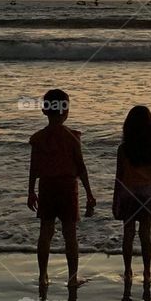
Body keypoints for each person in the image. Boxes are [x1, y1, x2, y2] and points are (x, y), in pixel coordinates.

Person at [27, 89, 96, 287]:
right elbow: (81, 167)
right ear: (66, 111)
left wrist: (31, 191)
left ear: (44, 111)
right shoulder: (72, 137)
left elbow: (34, 168)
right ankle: (72, 278)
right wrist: (89, 193)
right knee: (70, 234)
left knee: (45, 232)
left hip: (47, 186)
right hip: (67, 187)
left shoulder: (38, 138)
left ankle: (43, 276)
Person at [113, 106, 151, 283]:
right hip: (147, 193)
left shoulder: (123, 149)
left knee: (128, 233)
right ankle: (147, 272)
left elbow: (118, 178)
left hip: (127, 194)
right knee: (145, 234)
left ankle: (127, 271)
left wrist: (115, 200)